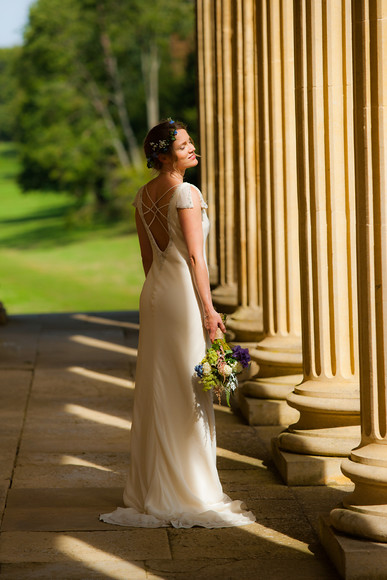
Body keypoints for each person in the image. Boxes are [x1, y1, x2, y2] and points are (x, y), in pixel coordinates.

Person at [99, 118, 255, 528]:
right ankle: (190, 488)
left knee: (157, 385)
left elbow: (149, 261)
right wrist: (209, 311)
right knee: (187, 388)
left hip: (154, 295)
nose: (192, 148)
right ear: (164, 154)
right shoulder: (186, 192)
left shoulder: (141, 194)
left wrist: (160, 294)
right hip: (183, 297)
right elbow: (195, 259)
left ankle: (152, 485)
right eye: (184, 144)